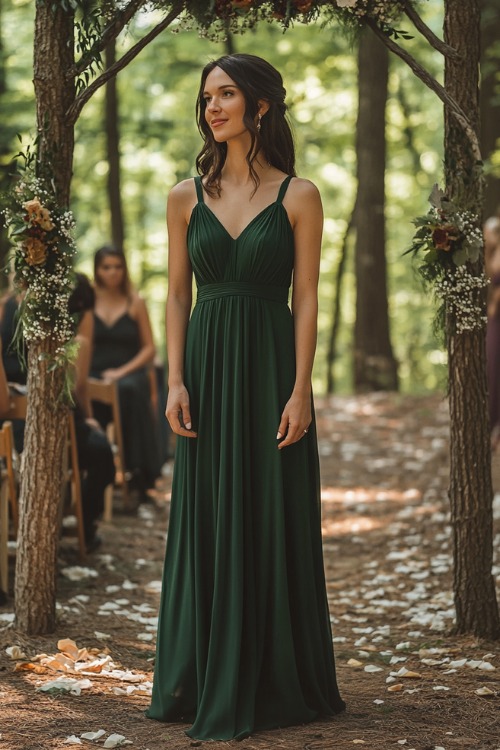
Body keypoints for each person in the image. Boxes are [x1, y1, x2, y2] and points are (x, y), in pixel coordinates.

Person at [147, 53, 345, 740]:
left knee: (269, 508)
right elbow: (175, 293)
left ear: (260, 106)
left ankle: (275, 675)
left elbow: (309, 296)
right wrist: (173, 378)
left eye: (227, 94)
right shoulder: (183, 195)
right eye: (207, 97)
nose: (213, 108)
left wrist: (301, 387)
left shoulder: (301, 194)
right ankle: (200, 673)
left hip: (268, 368)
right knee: (206, 513)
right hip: (204, 367)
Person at [90, 246, 161, 500]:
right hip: (94, 373)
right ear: (97, 269)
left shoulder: (135, 301)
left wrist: (119, 373)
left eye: (118, 266)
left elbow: (150, 349)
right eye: (106, 267)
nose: (112, 272)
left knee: (128, 389)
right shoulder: (88, 300)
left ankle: (138, 472)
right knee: (86, 390)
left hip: (128, 373)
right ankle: (94, 472)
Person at [69, 273, 115, 552]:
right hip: (64, 421)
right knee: (102, 454)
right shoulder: (79, 342)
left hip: (11, 425)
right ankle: (86, 522)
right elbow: (79, 388)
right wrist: (88, 418)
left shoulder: (9, 309)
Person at [485, 215, 500, 447]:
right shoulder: (493, 253)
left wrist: (494, 304)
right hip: (495, 318)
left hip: (497, 316)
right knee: (491, 364)